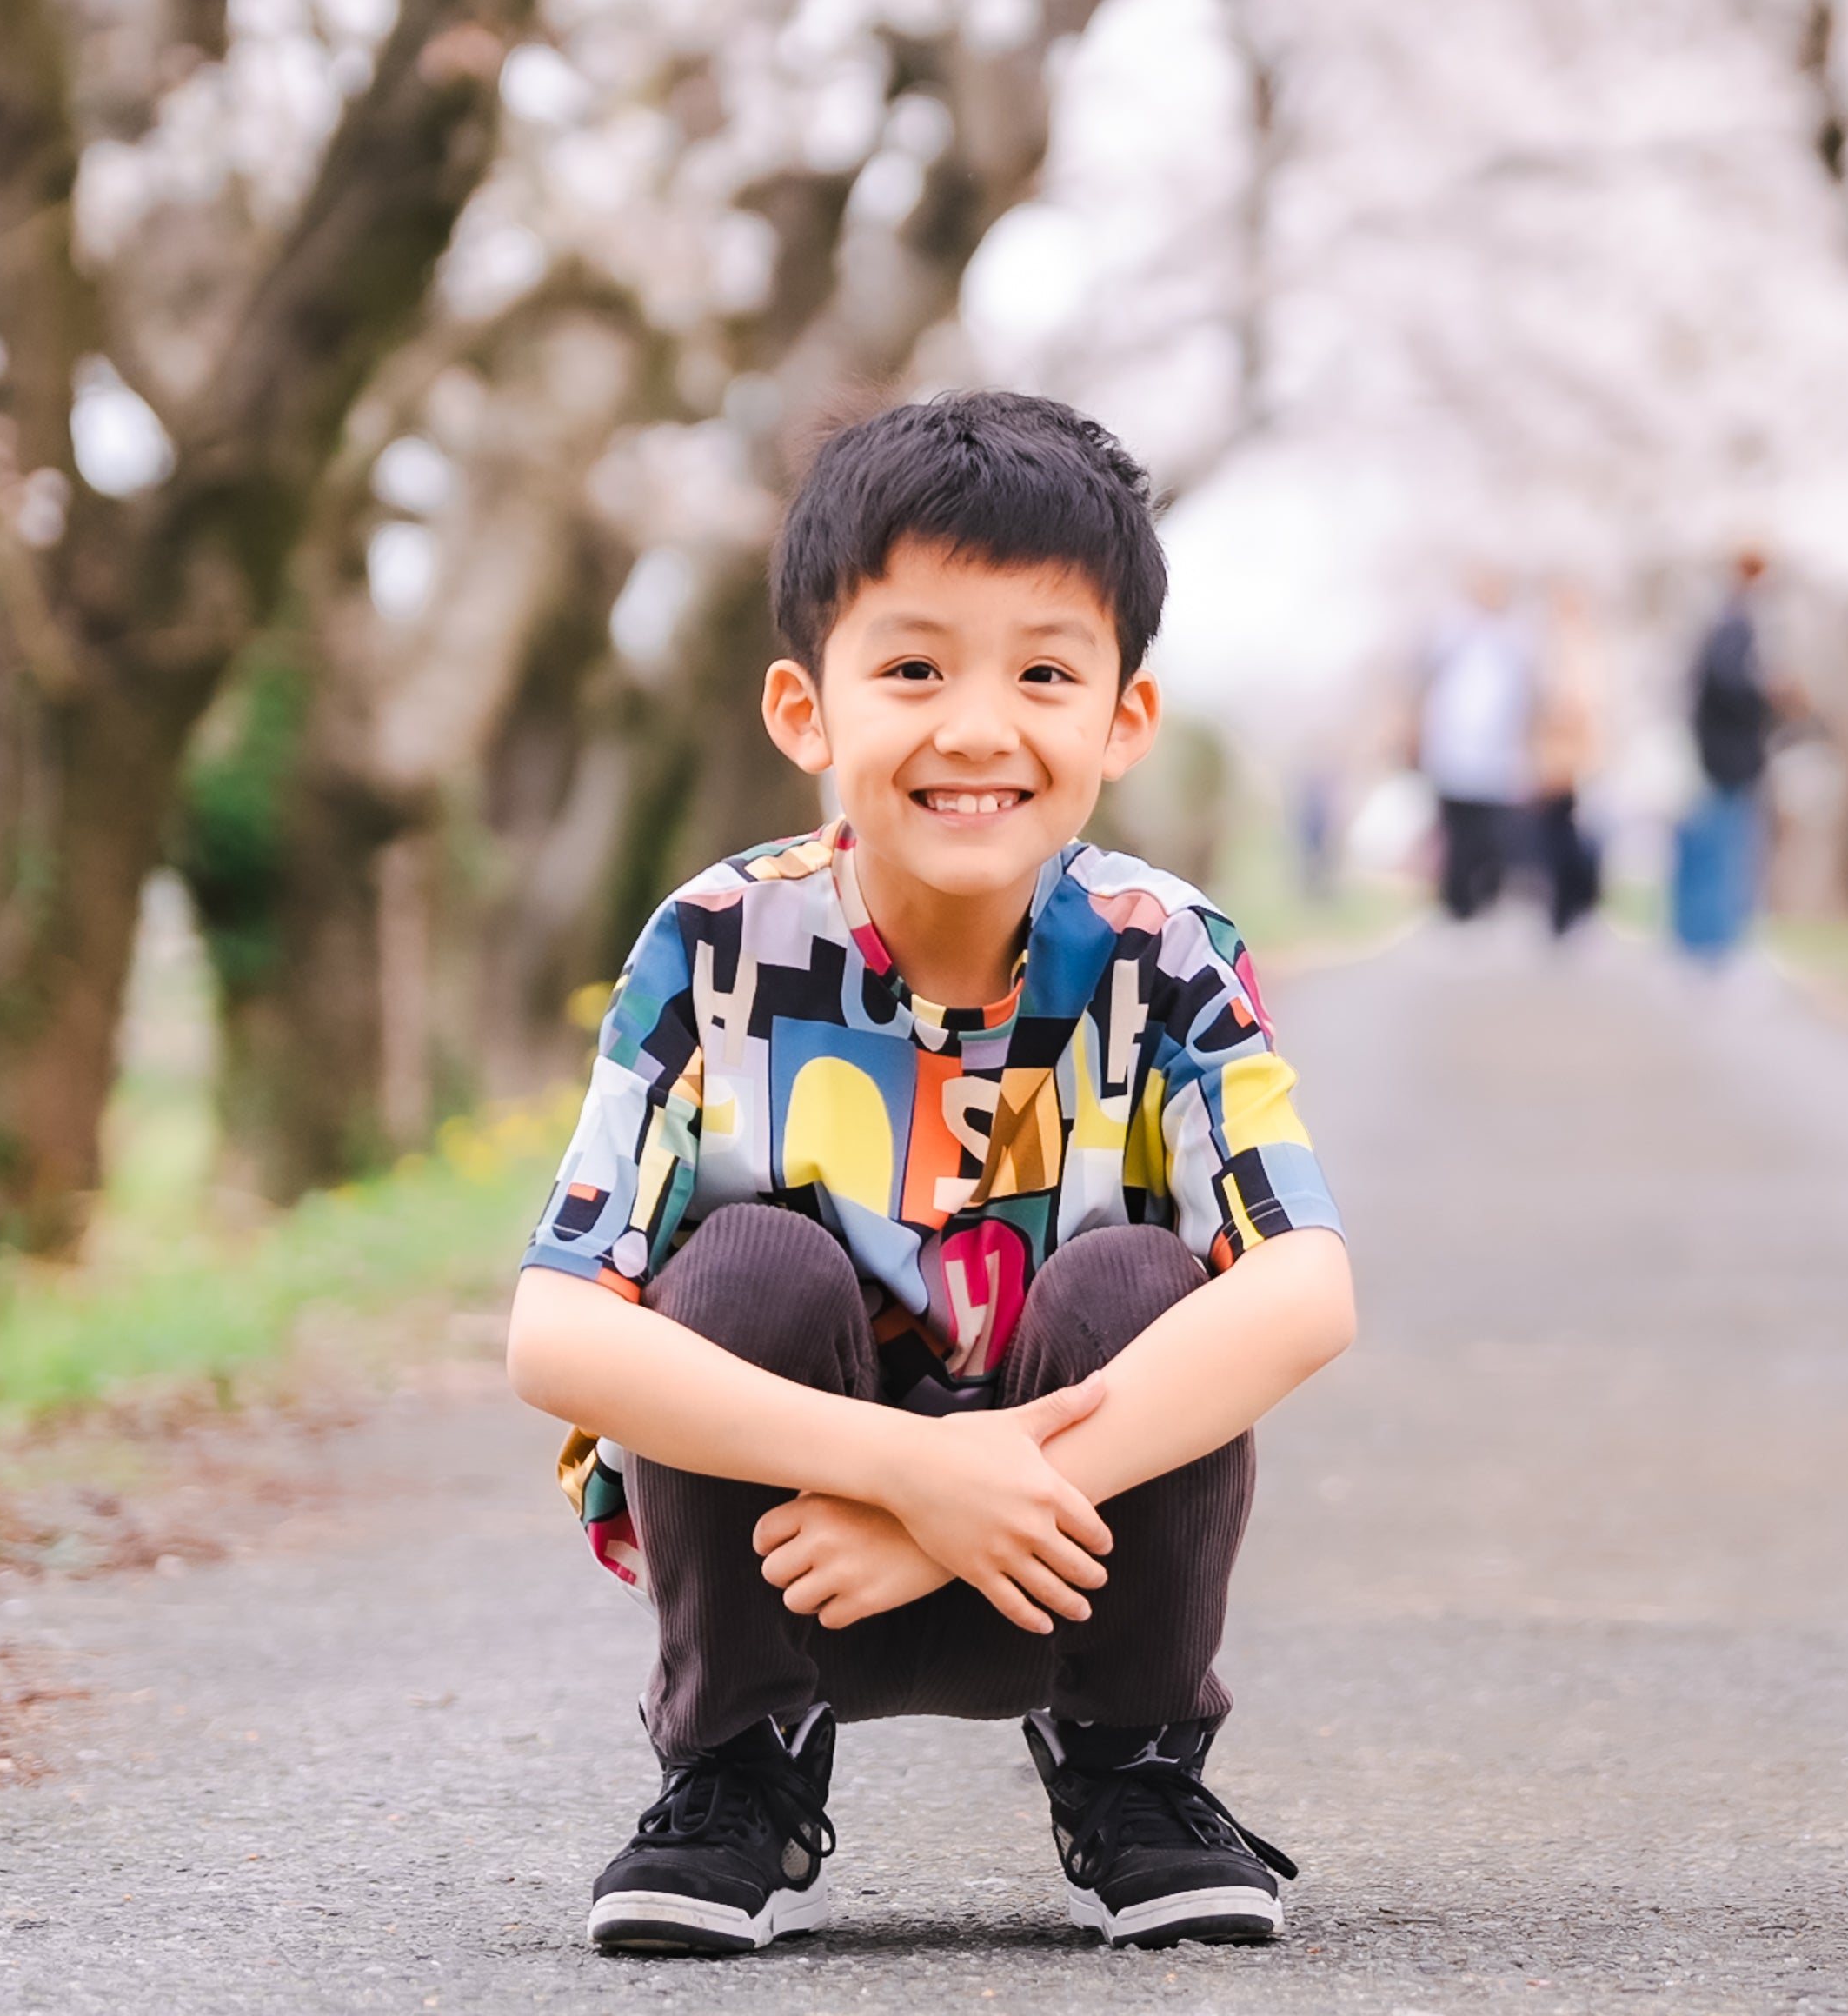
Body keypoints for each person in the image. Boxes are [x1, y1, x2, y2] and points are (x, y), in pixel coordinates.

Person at [506, 392, 1357, 1958]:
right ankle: (735, 1766)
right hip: (796, 1565)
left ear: (1124, 719)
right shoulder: (716, 947)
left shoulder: (1165, 953)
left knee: (1144, 1281)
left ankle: (1132, 1765)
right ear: (805, 711)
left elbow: (1308, 1291)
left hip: (1064, 1564)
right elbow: (554, 1333)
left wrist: (966, 1498)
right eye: (913, 670)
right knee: (745, 1267)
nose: (976, 728)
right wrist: (904, 1471)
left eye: (1043, 673)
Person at [1669, 549, 1780, 966]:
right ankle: (1714, 952)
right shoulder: (1736, 622)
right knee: (1724, 853)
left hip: (1716, 754)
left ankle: (1699, 946)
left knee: (1712, 849)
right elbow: (1728, 681)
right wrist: (1770, 696)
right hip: (1728, 758)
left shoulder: (1719, 618)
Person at [1415, 567, 1539, 922]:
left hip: (1497, 759)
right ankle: (1456, 908)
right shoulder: (1452, 634)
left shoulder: (1515, 639)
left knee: (1493, 838)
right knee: (1457, 836)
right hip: (1452, 755)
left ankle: (1487, 902)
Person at [1521, 582, 1609, 941]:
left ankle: (1575, 911)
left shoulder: (1581, 650)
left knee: (1569, 838)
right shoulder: (1551, 649)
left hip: (1570, 762)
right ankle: (1562, 914)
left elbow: (1577, 708)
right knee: (1555, 837)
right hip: (1556, 761)